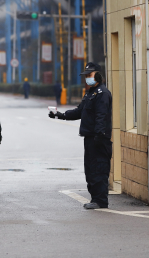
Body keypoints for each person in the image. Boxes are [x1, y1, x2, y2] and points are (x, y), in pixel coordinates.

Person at [48, 62, 112, 209]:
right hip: (89, 138)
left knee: (99, 170)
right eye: (86, 75)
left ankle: (101, 201)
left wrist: (99, 135)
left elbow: (101, 116)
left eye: (90, 75)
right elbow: (79, 111)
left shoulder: (102, 93)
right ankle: (95, 198)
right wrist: (60, 115)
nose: (87, 78)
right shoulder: (90, 93)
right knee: (90, 171)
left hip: (99, 139)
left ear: (98, 75)